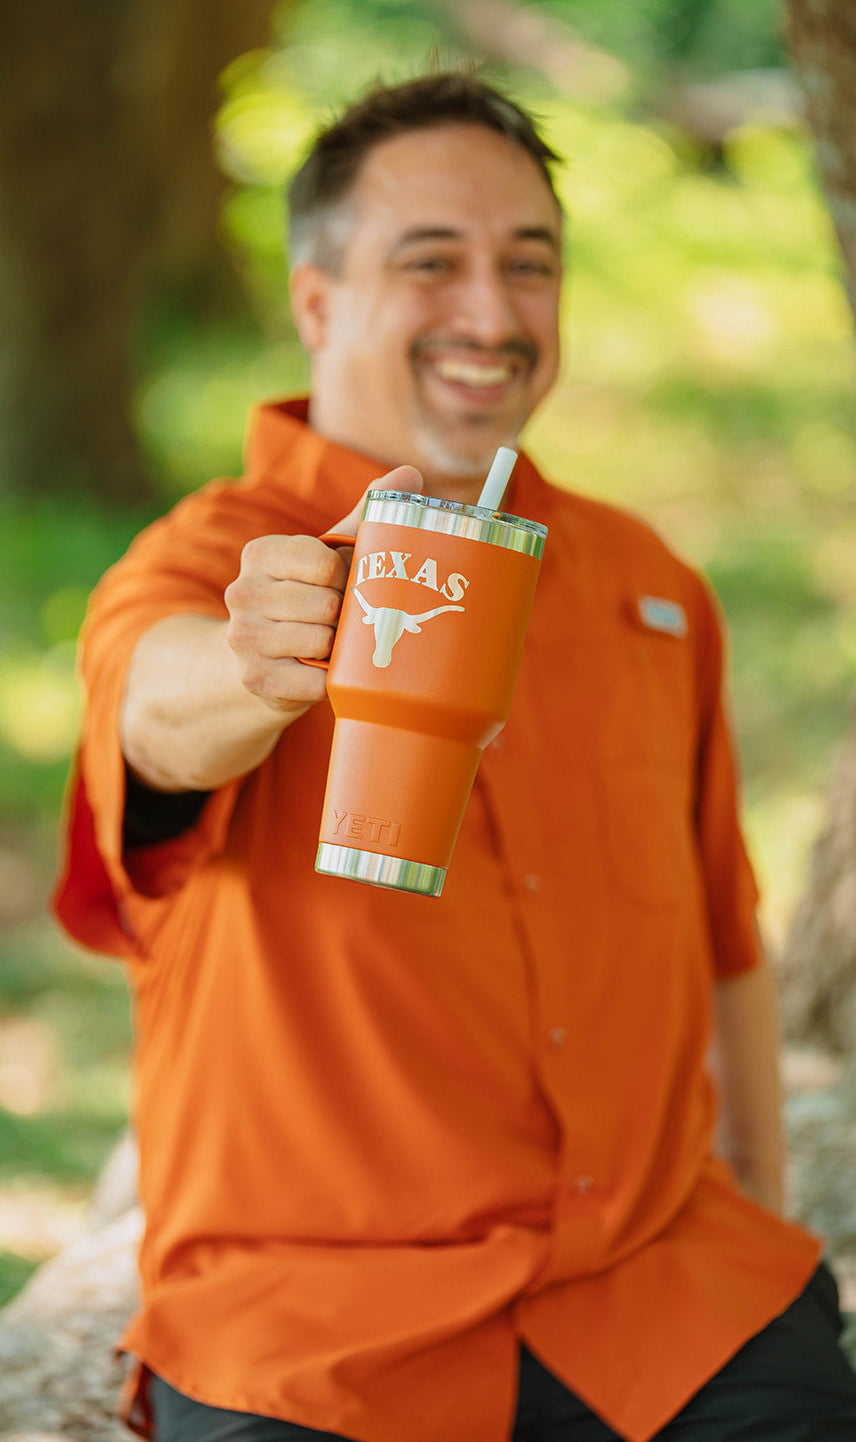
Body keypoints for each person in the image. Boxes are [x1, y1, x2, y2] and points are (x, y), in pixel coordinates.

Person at [54, 72, 856, 1442]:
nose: (491, 315)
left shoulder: (646, 581)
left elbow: (725, 943)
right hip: (315, 1328)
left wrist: (759, 1213)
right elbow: (158, 705)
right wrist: (263, 657)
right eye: (432, 263)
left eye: (528, 265)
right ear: (317, 302)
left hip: (660, 1305)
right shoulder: (207, 559)